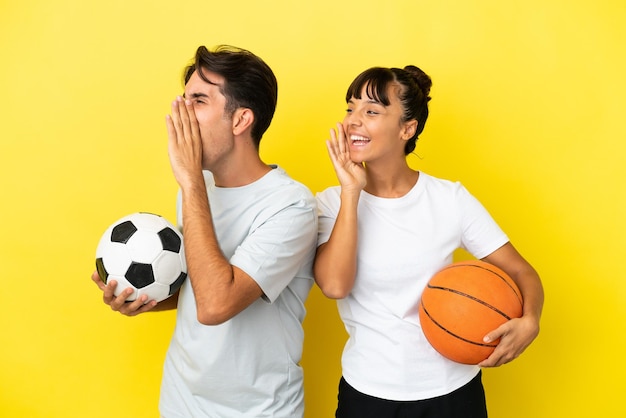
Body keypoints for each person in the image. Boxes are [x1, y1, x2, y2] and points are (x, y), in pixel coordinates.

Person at [91, 45, 318, 417]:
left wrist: (191, 181)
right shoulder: (198, 191)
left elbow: (217, 304)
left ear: (241, 120)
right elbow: (196, 289)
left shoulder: (291, 207)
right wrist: (143, 299)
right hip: (182, 400)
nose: (181, 113)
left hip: (258, 408)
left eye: (198, 101)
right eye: (183, 100)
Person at [313, 65, 544, 417]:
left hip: (453, 393)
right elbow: (333, 285)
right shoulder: (331, 202)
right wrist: (351, 192)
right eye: (350, 108)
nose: (352, 121)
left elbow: (522, 272)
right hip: (368, 394)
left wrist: (531, 320)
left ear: (408, 128)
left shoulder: (448, 198)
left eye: (371, 111)